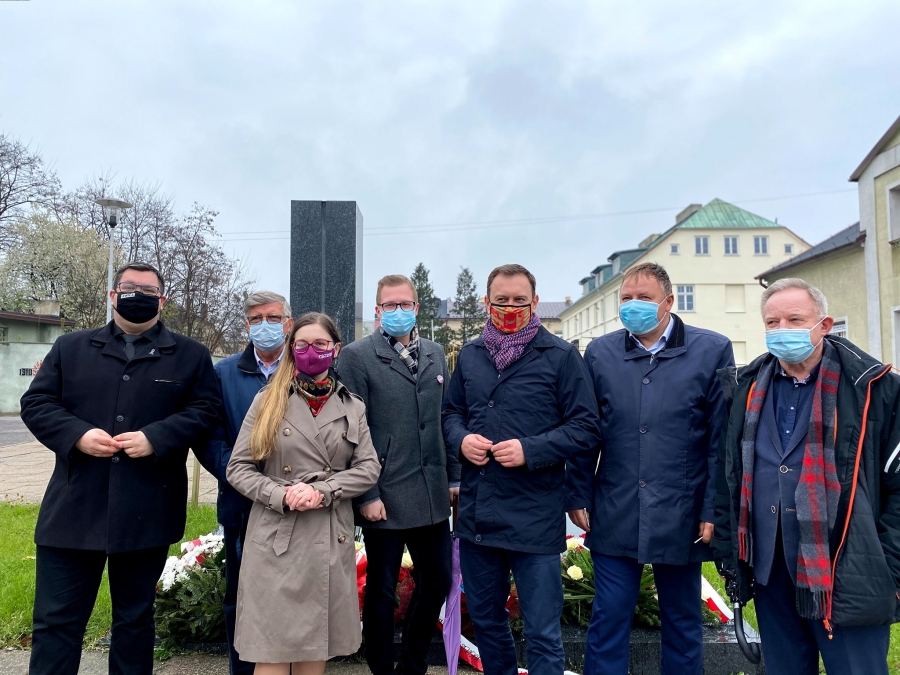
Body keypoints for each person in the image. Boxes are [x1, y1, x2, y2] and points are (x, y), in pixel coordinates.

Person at [20, 261, 222, 675]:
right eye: (130, 288)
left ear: (162, 301)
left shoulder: (191, 356)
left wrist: (157, 437)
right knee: (56, 622)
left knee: (134, 623)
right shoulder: (71, 347)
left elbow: (206, 410)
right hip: (74, 510)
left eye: (148, 291)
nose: (138, 296)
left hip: (148, 510)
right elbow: (37, 403)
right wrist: (77, 434)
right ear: (113, 296)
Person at [713, 278, 900, 675]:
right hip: (770, 568)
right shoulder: (746, 387)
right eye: (772, 322)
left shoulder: (874, 388)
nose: (782, 330)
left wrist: (887, 566)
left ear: (824, 325)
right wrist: (732, 558)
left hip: (846, 569)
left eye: (794, 319)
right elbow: (729, 475)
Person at [569, 262, 734, 675]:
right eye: (626, 297)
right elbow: (587, 430)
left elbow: (721, 439)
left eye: (644, 297)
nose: (633, 305)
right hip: (616, 506)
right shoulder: (601, 353)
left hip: (682, 510)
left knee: (682, 620)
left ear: (669, 301)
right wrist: (577, 492)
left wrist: (713, 508)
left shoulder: (712, 350)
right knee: (609, 616)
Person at [442, 263, 600, 675]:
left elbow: (586, 427)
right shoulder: (471, 355)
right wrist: (461, 439)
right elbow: (451, 413)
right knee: (488, 624)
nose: (510, 308)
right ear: (487, 302)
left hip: (535, 517)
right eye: (501, 300)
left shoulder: (561, 356)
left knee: (542, 631)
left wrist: (531, 450)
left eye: (519, 300)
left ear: (534, 301)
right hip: (479, 516)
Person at [226, 312, 381, 675]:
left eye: (320, 344)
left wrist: (323, 490)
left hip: (327, 533)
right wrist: (281, 495)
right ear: (292, 349)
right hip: (276, 538)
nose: (311, 352)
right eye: (302, 344)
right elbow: (238, 467)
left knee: (315, 649)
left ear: (336, 349)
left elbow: (368, 468)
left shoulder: (352, 406)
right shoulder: (268, 401)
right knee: (272, 652)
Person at [337, 274, 458, 675]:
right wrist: (366, 493)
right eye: (390, 305)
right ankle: (381, 668)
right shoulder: (356, 356)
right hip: (384, 494)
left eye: (405, 304)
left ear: (417, 308)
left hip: (430, 492)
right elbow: (352, 430)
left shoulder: (435, 353)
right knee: (382, 590)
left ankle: (412, 666)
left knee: (437, 581)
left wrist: (454, 476)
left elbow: (445, 418)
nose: (398, 311)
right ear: (378, 310)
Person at [196, 290, 294, 675]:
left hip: (296, 503)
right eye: (256, 319)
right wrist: (246, 479)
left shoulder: (303, 370)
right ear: (247, 325)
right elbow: (210, 438)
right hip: (242, 506)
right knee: (241, 596)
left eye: (273, 318)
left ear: (288, 323)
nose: (264, 325)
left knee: (295, 594)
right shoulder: (222, 374)